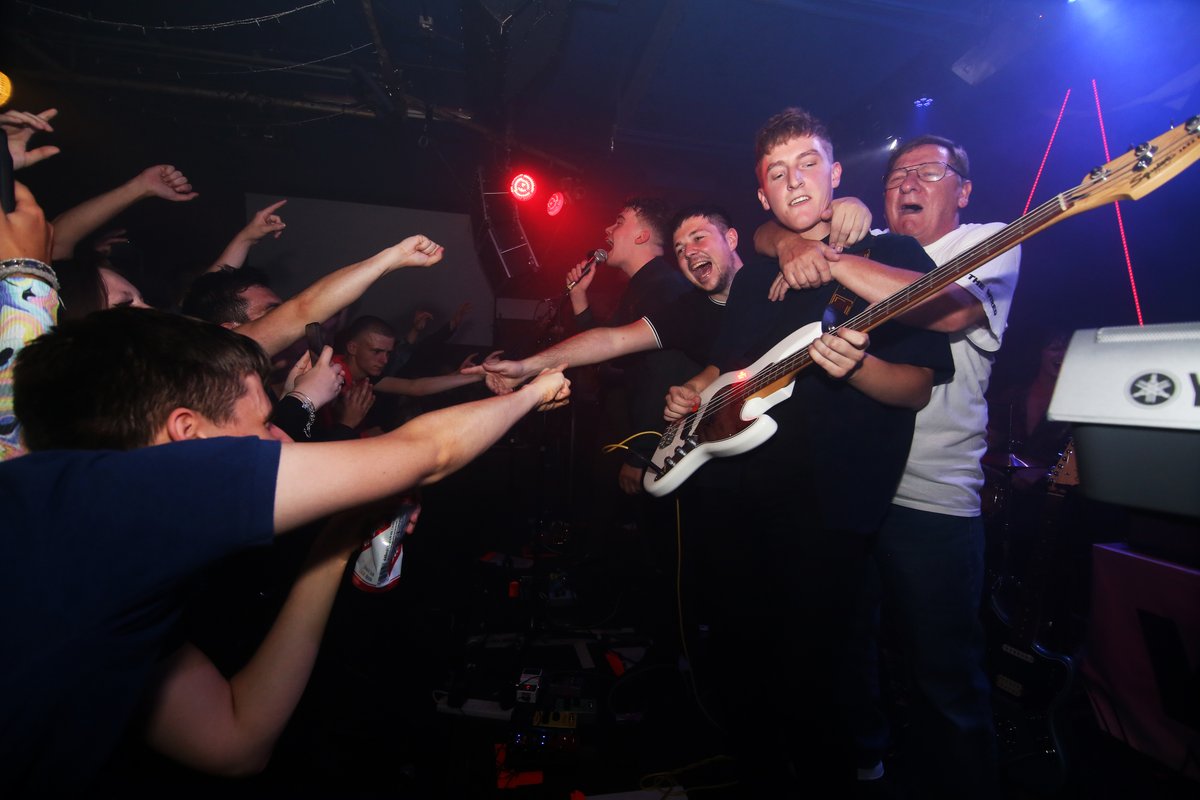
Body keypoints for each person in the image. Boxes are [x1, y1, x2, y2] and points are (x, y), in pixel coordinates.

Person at [0, 186, 572, 796]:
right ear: (185, 432)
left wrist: (336, 541)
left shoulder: (106, 547)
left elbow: (236, 741)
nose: (281, 433)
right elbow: (423, 455)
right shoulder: (110, 502)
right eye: (262, 424)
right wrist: (534, 393)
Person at [662, 108, 953, 792]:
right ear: (762, 195)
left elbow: (914, 389)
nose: (795, 183)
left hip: (830, 510)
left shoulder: (895, 259)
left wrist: (855, 368)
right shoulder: (764, 263)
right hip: (738, 498)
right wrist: (694, 395)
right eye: (777, 173)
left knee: (816, 691)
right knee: (742, 674)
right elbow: (729, 368)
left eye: (810, 165)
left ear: (838, 175)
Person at [755, 133, 1021, 798]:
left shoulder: (990, 242)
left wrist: (828, 256)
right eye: (898, 173)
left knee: (944, 676)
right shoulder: (860, 241)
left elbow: (950, 309)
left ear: (962, 190)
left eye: (928, 173)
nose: (907, 183)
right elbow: (763, 230)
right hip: (849, 495)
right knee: (850, 663)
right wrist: (796, 239)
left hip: (931, 496)